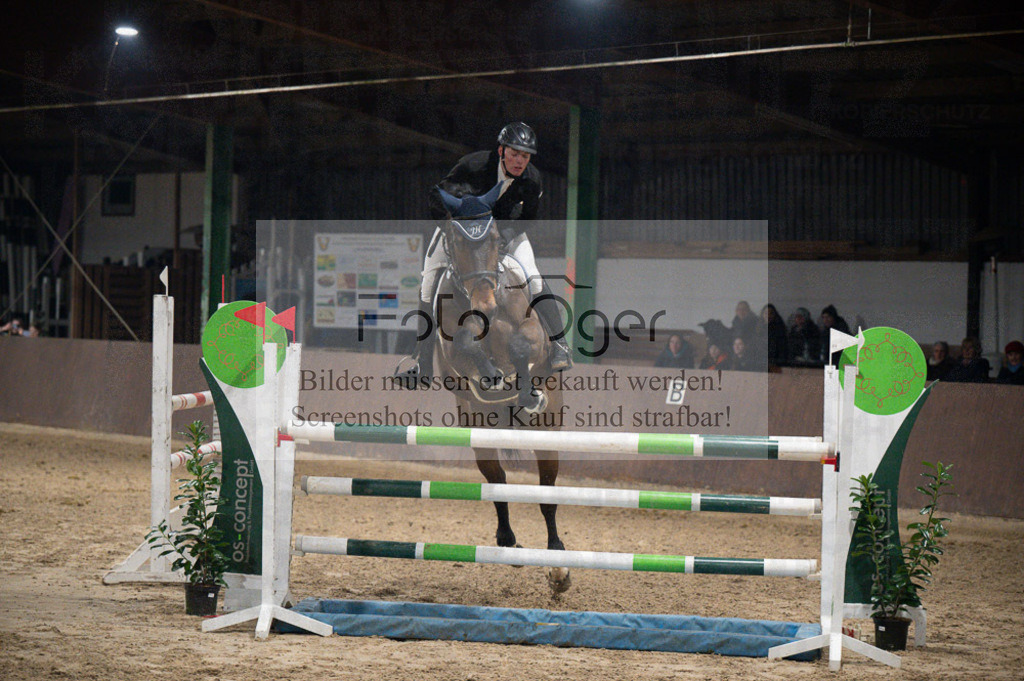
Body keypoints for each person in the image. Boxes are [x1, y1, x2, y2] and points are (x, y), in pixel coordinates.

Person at [396, 122, 572, 387]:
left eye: (525, 156)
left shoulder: (531, 179)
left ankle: (560, 344)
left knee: (533, 277)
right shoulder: (473, 165)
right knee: (428, 285)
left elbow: (529, 218)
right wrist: (450, 228)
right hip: (460, 233)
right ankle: (422, 366)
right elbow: (438, 195)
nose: (519, 161)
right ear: (501, 151)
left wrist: (504, 238)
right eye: (514, 154)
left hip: (502, 234)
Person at [754, 303, 788, 369]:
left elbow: (782, 350)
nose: (768, 316)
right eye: (766, 313)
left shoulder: (780, 330)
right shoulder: (758, 329)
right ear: (762, 315)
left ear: (774, 315)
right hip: (760, 364)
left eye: (771, 313)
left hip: (775, 364)